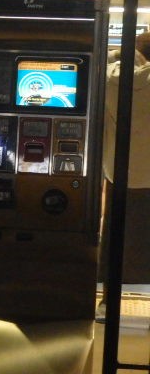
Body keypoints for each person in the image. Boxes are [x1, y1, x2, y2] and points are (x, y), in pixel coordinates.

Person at [97, 30, 150, 320]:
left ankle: (108, 300)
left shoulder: (113, 78)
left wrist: (120, 54)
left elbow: (97, 62)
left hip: (118, 173)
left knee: (114, 238)